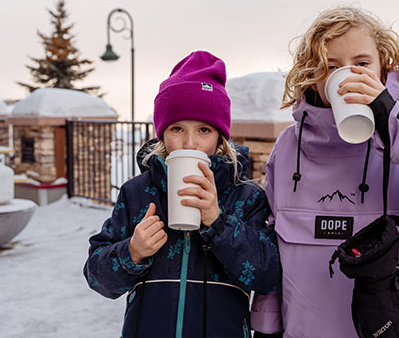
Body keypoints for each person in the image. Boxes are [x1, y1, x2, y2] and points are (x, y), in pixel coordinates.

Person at [250, 6, 399, 338]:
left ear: (383, 67)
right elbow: (273, 242)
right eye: (331, 66)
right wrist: (266, 328)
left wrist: (397, 128)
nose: (348, 76)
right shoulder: (289, 148)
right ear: (313, 74)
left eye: (362, 64)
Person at [84, 50, 281, 338]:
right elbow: (97, 278)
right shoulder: (137, 193)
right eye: (177, 128)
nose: (191, 143)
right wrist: (133, 251)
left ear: (220, 136)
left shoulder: (246, 197)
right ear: (162, 134)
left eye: (204, 130)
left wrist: (218, 221)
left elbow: (268, 276)